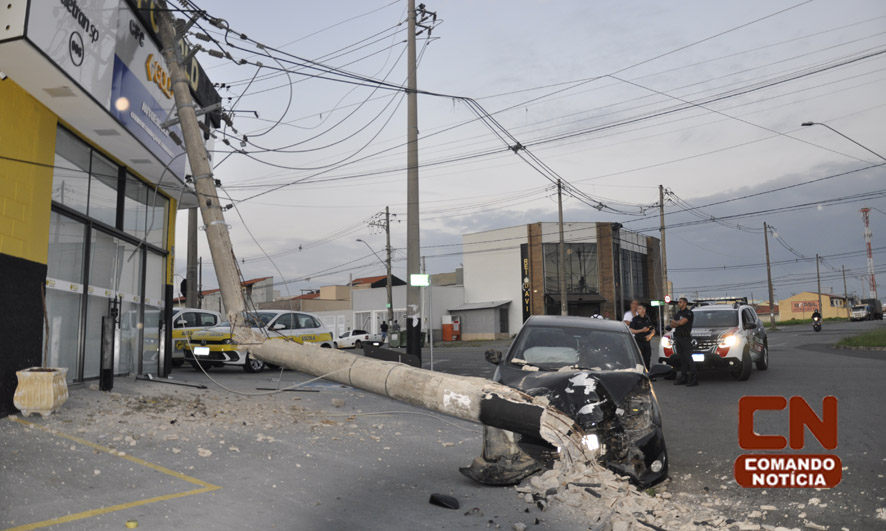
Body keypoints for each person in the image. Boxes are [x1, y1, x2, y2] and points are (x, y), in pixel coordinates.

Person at [669, 297, 698, 387]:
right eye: (678, 302)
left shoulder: (688, 313)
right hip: (678, 338)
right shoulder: (678, 314)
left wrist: (676, 322)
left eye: (680, 302)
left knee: (689, 358)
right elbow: (672, 324)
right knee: (682, 359)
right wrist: (677, 322)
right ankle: (683, 377)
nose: (678, 303)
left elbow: (681, 323)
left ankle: (694, 379)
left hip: (685, 338)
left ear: (685, 303)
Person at [629, 305, 656, 369]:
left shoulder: (647, 319)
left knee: (647, 359)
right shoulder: (635, 319)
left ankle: (648, 374)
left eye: (640, 309)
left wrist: (650, 335)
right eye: (638, 309)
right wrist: (642, 330)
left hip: (647, 342)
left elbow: (653, 330)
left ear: (644, 310)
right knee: (639, 360)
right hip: (639, 342)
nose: (638, 310)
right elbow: (631, 330)